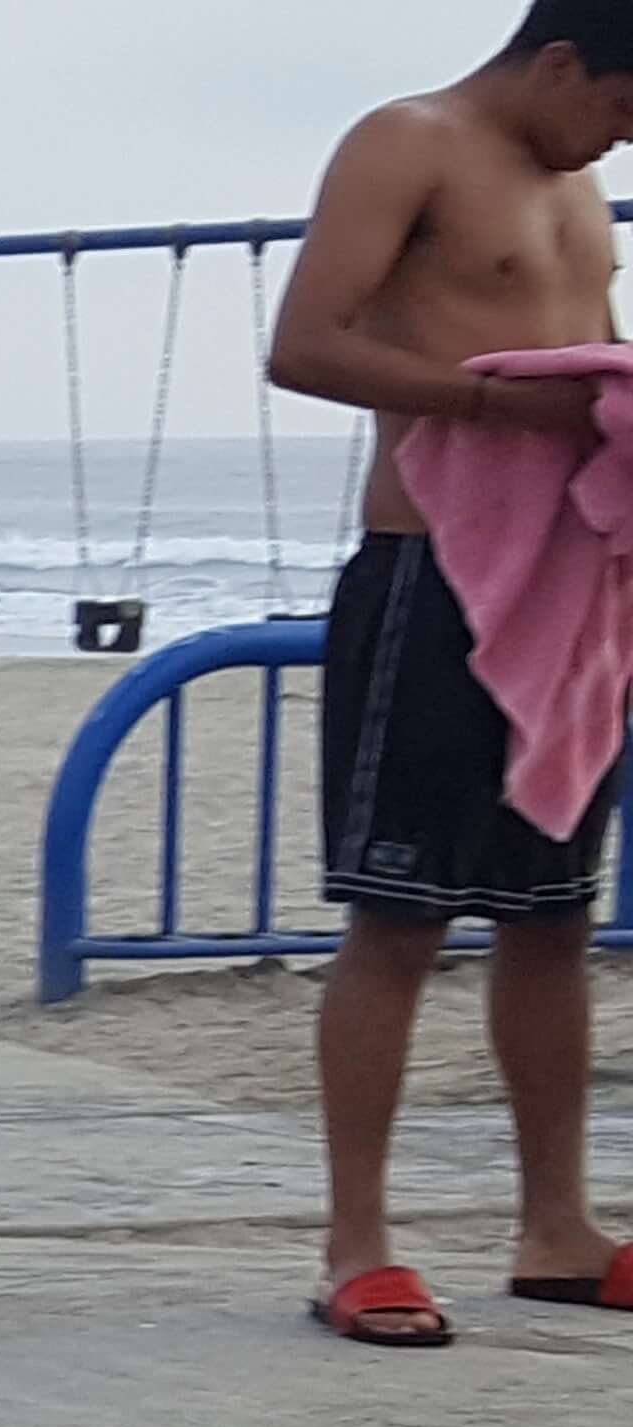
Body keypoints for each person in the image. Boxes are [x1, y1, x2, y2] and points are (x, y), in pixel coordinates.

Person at [264, 0, 633, 1343]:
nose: (623, 133)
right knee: (398, 915)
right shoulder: (406, 141)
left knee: (551, 917)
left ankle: (559, 1228)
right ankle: (354, 1244)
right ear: (557, 61)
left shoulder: (579, 182)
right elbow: (303, 344)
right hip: (430, 573)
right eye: (620, 101)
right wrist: (490, 404)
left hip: (572, 581)